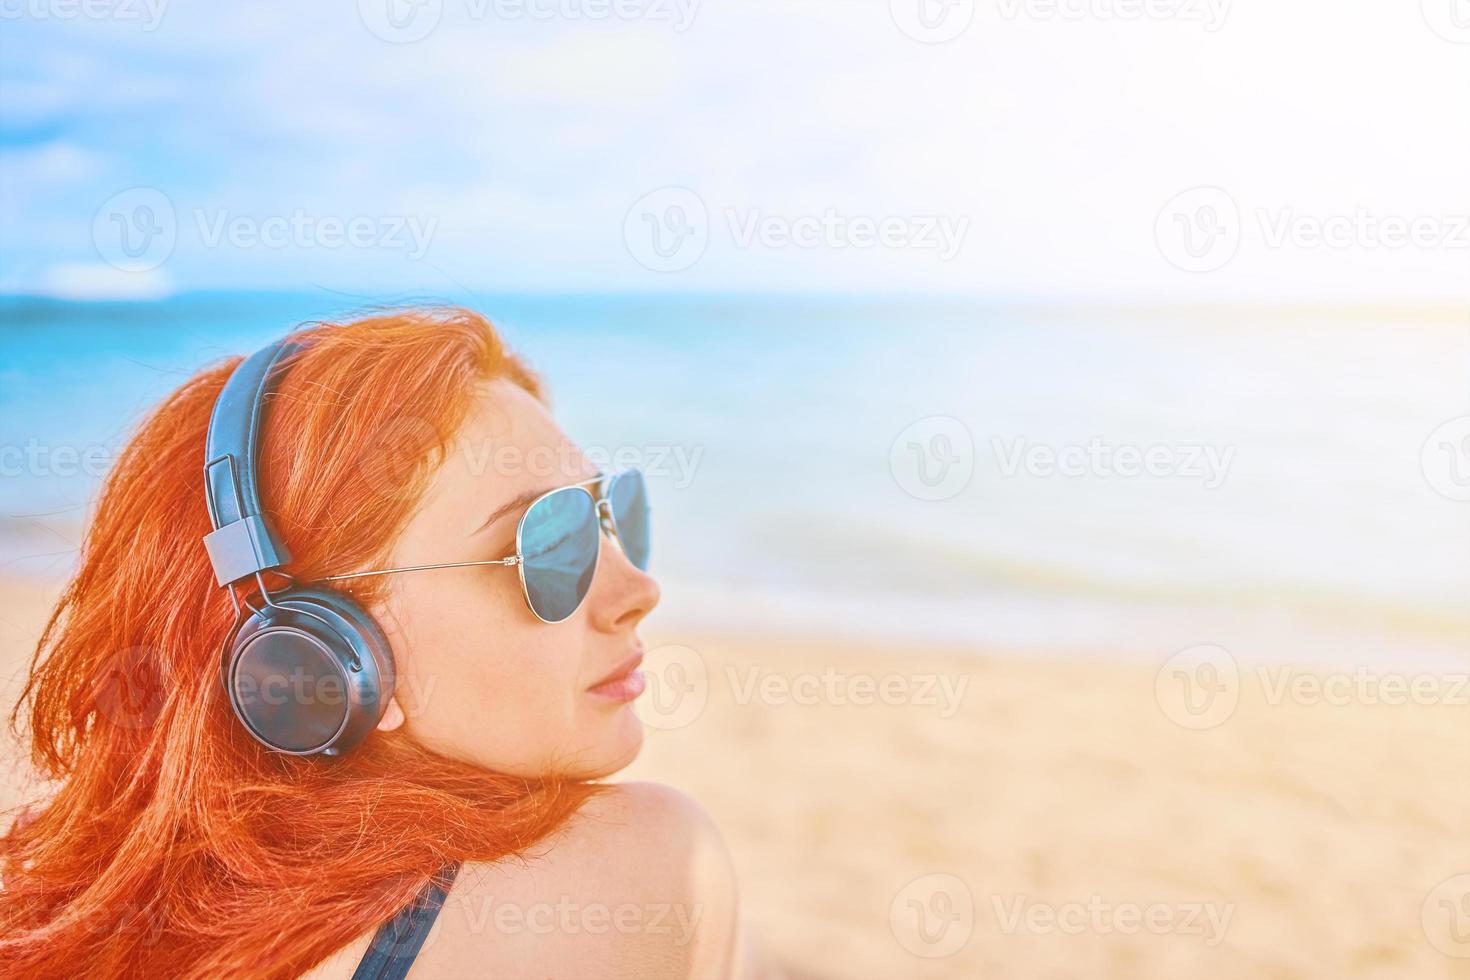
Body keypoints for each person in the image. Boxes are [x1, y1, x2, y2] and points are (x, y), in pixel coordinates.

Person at [0, 308, 776, 979]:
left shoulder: (78, 926)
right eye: (548, 545)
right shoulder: (652, 867)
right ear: (321, 658)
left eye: (610, 516)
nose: (638, 592)